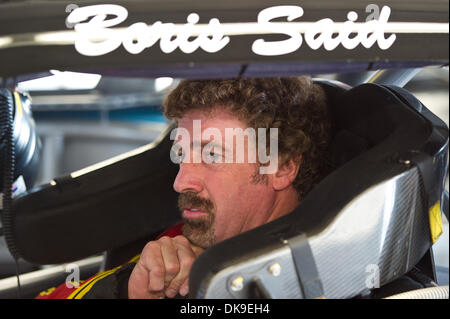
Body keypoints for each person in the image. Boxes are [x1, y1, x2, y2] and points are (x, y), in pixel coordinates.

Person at [36, 76, 332, 299]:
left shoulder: (327, 275)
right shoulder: (185, 240)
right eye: (182, 154)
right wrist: (128, 290)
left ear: (281, 167)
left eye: (212, 154)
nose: (180, 182)